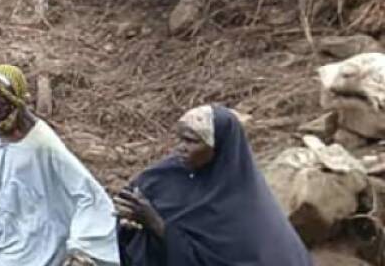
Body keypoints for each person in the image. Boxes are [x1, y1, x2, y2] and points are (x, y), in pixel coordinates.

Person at [115, 105, 313, 266]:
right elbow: (131, 197)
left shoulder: (244, 208)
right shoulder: (169, 171)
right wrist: (129, 215)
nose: (181, 148)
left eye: (192, 142)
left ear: (217, 149)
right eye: (180, 139)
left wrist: (156, 224)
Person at [0, 65, 119, 266]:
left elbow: (86, 192)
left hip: (36, 240)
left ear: (16, 101)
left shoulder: (42, 143)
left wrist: (82, 245)